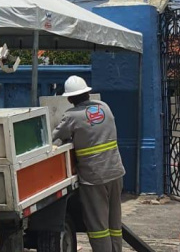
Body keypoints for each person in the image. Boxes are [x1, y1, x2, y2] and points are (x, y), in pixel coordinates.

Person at [52, 76, 125, 252]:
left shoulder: (71, 116)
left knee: (98, 227)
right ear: (87, 93)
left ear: (69, 98)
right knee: (114, 223)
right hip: (115, 172)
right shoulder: (104, 107)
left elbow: (53, 136)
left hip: (94, 178)